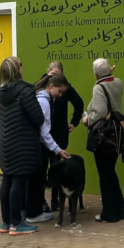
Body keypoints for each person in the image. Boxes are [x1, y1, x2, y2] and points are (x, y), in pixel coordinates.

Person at [0, 56, 45, 235]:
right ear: (18, 70)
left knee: (7, 179)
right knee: (18, 181)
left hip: (3, 142)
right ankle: (17, 223)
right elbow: (38, 118)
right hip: (21, 143)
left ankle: (6, 222)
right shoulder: (25, 91)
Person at [83, 58, 124, 223]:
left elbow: (100, 111)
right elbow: (111, 84)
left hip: (104, 135)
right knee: (110, 171)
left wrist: (88, 119)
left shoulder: (98, 88)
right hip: (117, 133)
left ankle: (109, 212)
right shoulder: (118, 83)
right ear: (110, 70)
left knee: (104, 174)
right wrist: (109, 74)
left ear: (95, 74)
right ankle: (119, 207)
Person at [31, 72, 71, 224]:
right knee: (38, 179)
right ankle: (35, 211)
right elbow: (45, 132)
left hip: (33, 143)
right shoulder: (45, 103)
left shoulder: (37, 96)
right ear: (51, 86)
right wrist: (58, 149)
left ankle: (29, 210)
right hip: (39, 146)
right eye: (60, 91)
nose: (60, 95)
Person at [45, 60, 84, 210]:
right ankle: (41, 201)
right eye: (53, 75)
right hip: (45, 134)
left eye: (59, 76)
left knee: (57, 166)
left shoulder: (66, 89)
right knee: (43, 166)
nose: (56, 79)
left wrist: (74, 122)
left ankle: (56, 200)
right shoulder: (43, 87)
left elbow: (79, 104)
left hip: (60, 133)